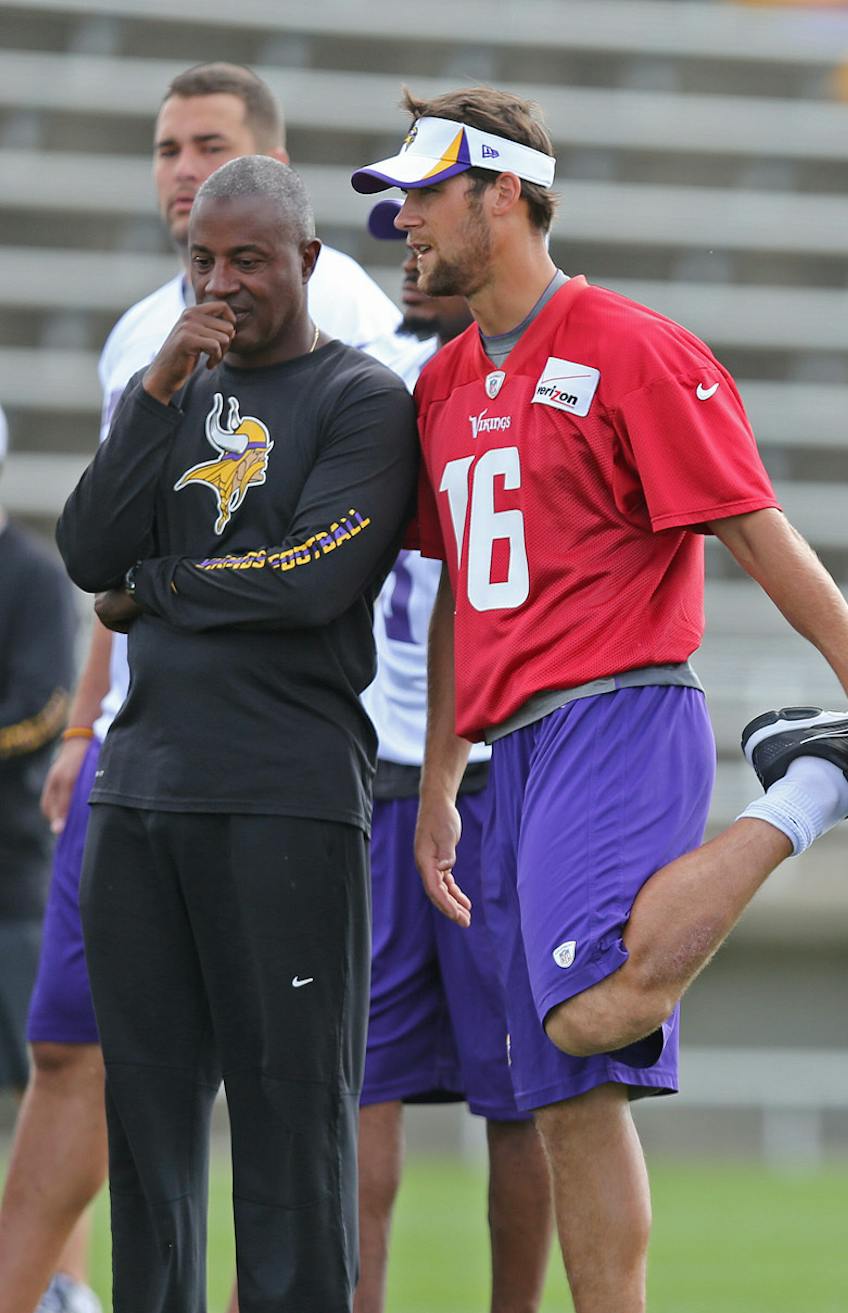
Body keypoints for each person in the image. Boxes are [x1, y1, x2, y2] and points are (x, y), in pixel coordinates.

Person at [348, 88, 848, 1310]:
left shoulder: (632, 345)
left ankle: (811, 785)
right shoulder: (442, 383)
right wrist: (443, 770)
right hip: (506, 750)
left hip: (616, 710)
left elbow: (753, 529)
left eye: (425, 195)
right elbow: (459, 588)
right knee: (565, 1093)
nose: (403, 221)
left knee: (590, 1014)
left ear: (507, 192)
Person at [0, 62, 408, 1313]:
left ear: (307, 254)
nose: (223, 285)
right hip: (143, 794)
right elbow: (83, 549)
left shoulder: (364, 397)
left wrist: (156, 590)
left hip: (287, 796)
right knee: (151, 1127)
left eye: (250, 262)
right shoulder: (169, 387)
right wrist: (160, 392)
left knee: (294, 1124)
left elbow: (305, 582)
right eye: (205, 265)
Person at [350, 199, 554, 1313]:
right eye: (404, 242)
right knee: (485, 1086)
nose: (414, 262)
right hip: (410, 759)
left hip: (479, 757)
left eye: (425, 237)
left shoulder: (385, 376)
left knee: (506, 1088)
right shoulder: (431, 377)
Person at [0, 405, 78, 1124]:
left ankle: (50, 1244)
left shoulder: (31, 578)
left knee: (41, 1084)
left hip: (11, 874)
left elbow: (45, 708)